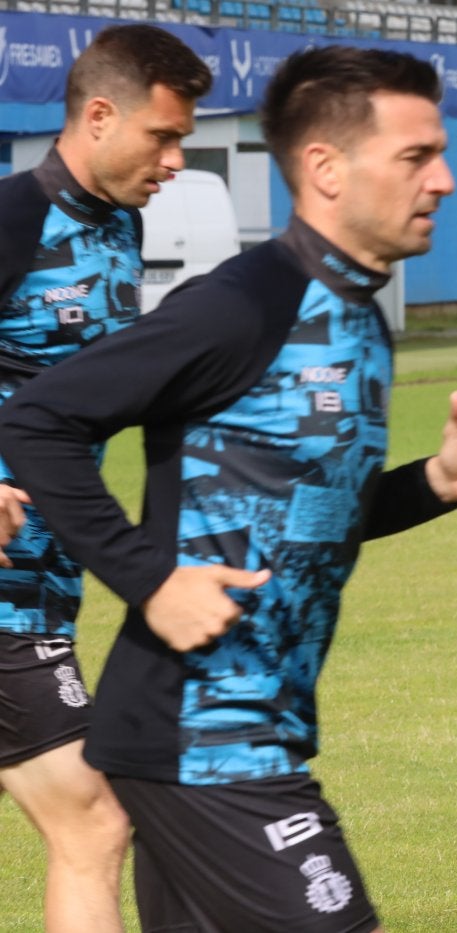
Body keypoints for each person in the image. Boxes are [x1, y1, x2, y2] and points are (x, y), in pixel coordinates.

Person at [0, 46, 457, 932]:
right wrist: (151, 579)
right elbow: (37, 421)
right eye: (415, 156)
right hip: (201, 739)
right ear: (325, 167)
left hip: (250, 733)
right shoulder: (244, 302)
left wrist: (439, 482)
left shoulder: (359, 318)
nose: (443, 180)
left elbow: (310, 517)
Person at [0, 24, 211, 932]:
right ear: (97, 116)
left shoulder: (120, 224)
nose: (174, 161)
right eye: (162, 137)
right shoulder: (12, 217)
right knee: (95, 817)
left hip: (50, 588)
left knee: (91, 822)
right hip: (3, 596)